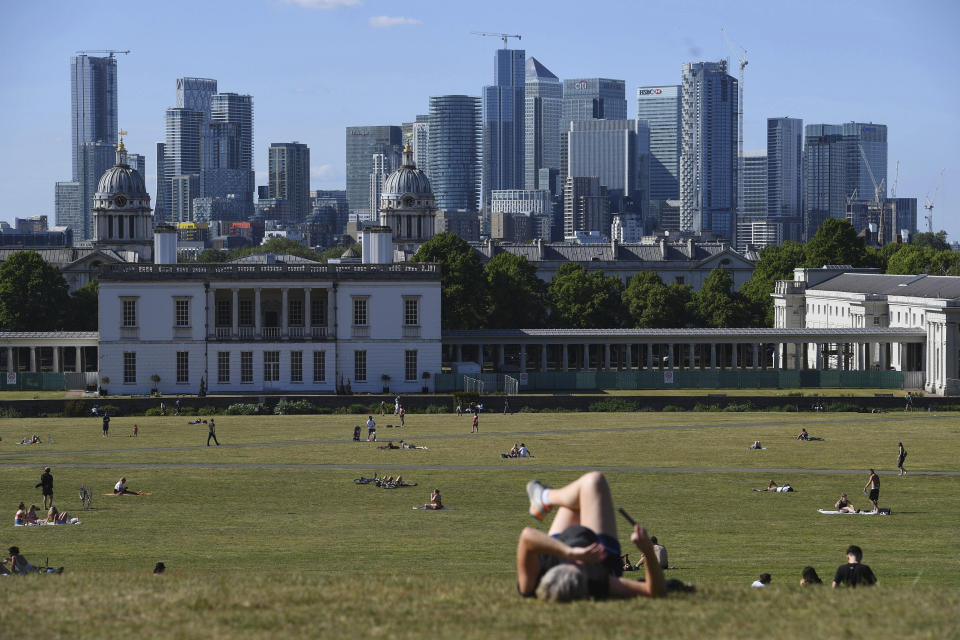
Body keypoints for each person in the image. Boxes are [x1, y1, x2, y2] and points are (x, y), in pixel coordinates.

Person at [517, 472, 668, 601]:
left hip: (560, 541)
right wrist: (648, 550)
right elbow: (654, 591)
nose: (580, 561)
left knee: (575, 497)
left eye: (573, 563)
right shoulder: (596, 581)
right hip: (601, 550)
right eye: (582, 567)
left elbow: (527, 536)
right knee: (594, 481)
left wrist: (569, 552)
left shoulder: (533, 583)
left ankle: (544, 498)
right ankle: (544, 497)